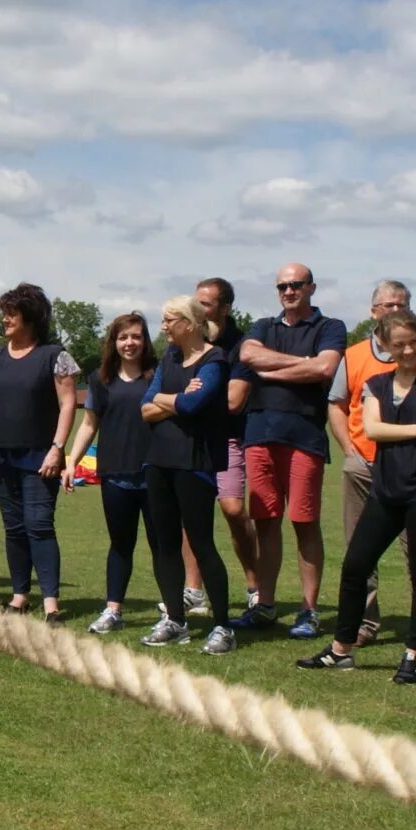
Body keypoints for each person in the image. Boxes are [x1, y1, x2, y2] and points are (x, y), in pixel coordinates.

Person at [298, 310, 416, 683]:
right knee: (356, 565)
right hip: (388, 489)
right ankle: (341, 650)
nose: (409, 350)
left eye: (414, 341)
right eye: (399, 345)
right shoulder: (377, 385)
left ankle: (413, 656)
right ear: (384, 346)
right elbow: (372, 428)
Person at [327, 279, 416, 656]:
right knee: (359, 554)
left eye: (400, 304)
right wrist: (349, 450)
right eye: (386, 305)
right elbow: (336, 403)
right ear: (373, 313)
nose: (393, 310)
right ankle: (362, 625)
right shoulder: (352, 356)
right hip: (365, 465)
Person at [235, 263, 346, 640]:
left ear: (311, 287)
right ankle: (265, 605)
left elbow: (326, 368)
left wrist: (279, 369)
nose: (288, 291)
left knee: (304, 522)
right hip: (259, 433)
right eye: (282, 285)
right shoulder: (263, 326)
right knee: (265, 520)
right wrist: (303, 364)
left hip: (304, 437)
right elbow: (250, 356)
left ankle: (309, 610)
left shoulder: (330, 327)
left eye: (296, 284)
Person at [139, 296, 251, 655]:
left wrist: (167, 401)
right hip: (159, 461)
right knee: (164, 544)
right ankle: (175, 619)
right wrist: (174, 400)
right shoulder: (169, 358)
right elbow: (145, 407)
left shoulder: (214, 360)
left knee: (201, 543)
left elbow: (193, 405)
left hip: (195, 463)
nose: (164, 327)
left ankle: (223, 626)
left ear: (189, 323)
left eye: (170, 320)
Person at [0, 284, 79, 624]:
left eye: (11, 314)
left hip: (41, 458)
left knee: (39, 525)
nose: (5, 320)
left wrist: (57, 449)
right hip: (1, 457)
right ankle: (19, 597)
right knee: (14, 528)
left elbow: (68, 403)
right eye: (4, 313)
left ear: (30, 317)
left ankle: (51, 604)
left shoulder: (54, 356)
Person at [68, 312, 157, 635]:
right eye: (123, 337)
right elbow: (89, 424)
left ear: (145, 340)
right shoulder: (100, 379)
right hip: (115, 473)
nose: (129, 343)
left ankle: (174, 613)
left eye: (136, 336)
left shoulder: (158, 375)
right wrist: (71, 461)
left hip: (155, 473)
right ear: (114, 342)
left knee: (162, 545)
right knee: (121, 544)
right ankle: (113, 610)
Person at [195, 277, 261, 615]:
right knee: (189, 513)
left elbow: (235, 401)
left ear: (225, 307)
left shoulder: (242, 345)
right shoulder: (187, 342)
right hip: (190, 438)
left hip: (229, 437)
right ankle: (193, 592)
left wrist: (191, 396)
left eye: (205, 303)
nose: (199, 308)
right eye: (197, 302)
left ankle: (255, 585)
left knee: (233, 510)